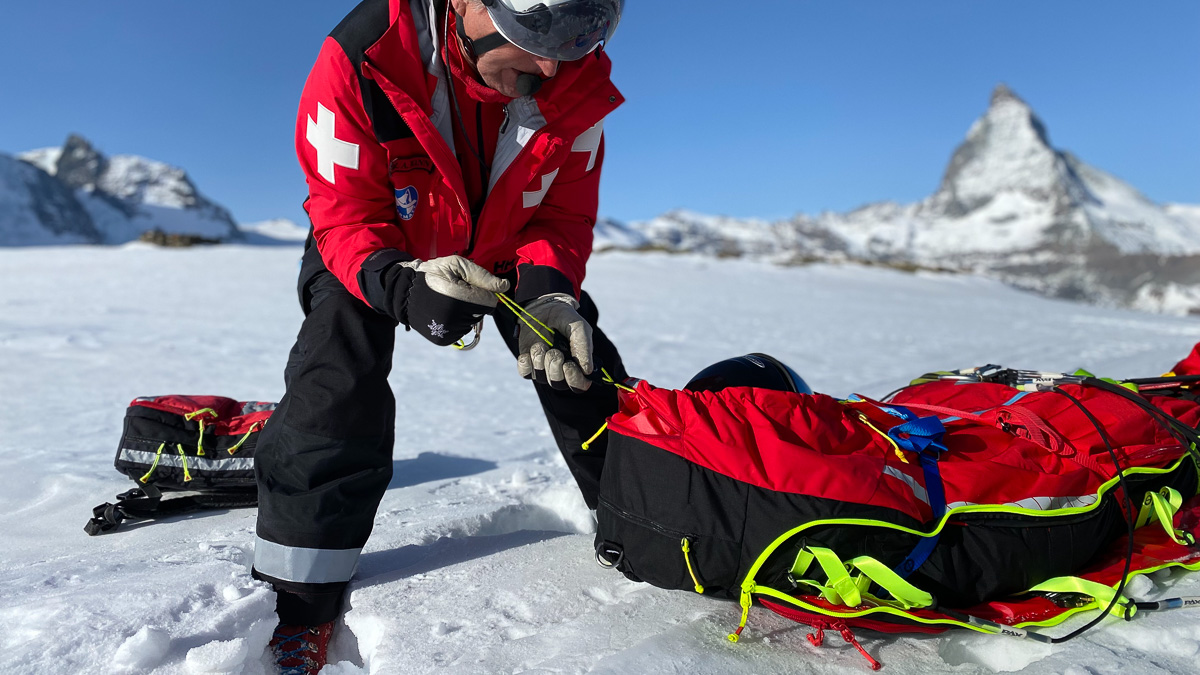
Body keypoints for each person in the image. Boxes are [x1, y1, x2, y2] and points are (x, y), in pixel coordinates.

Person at [252, 0, 627, 672]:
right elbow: (342, 214)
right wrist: (403, 286)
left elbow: (564, 212)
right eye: (535, 29)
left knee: (576, 358)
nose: (550, 61)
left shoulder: (576, 80)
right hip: (382, 245)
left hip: (509, 250)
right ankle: (301, 593)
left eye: (580, 34)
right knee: (337, 363)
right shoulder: (362, 59)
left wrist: (548, 288)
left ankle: (641, 523)